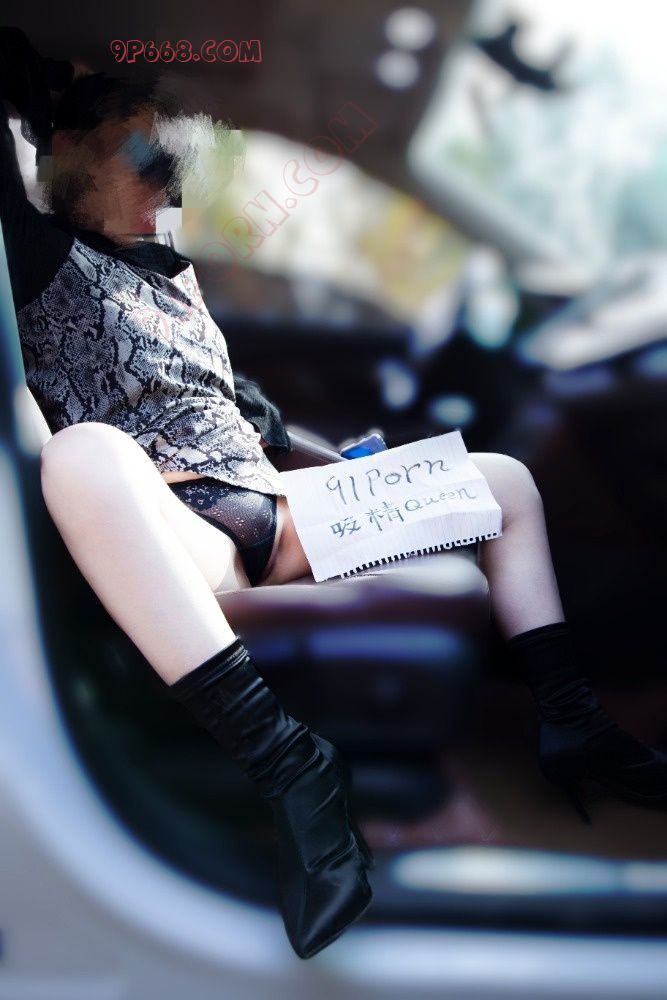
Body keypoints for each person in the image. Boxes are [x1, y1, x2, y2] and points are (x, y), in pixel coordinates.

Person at [3, 26, 667, 955]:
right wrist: (41, 84)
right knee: (82, 454)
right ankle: (292, 768)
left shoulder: (173, 273)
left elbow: (256, 419)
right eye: (144, 160)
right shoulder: (42, 259)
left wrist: (354, 472)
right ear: (74, 161)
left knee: (502, 481)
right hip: (178, 530)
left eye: (174, 167)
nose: (166, 184)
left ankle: (572, 726)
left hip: (273, 513)